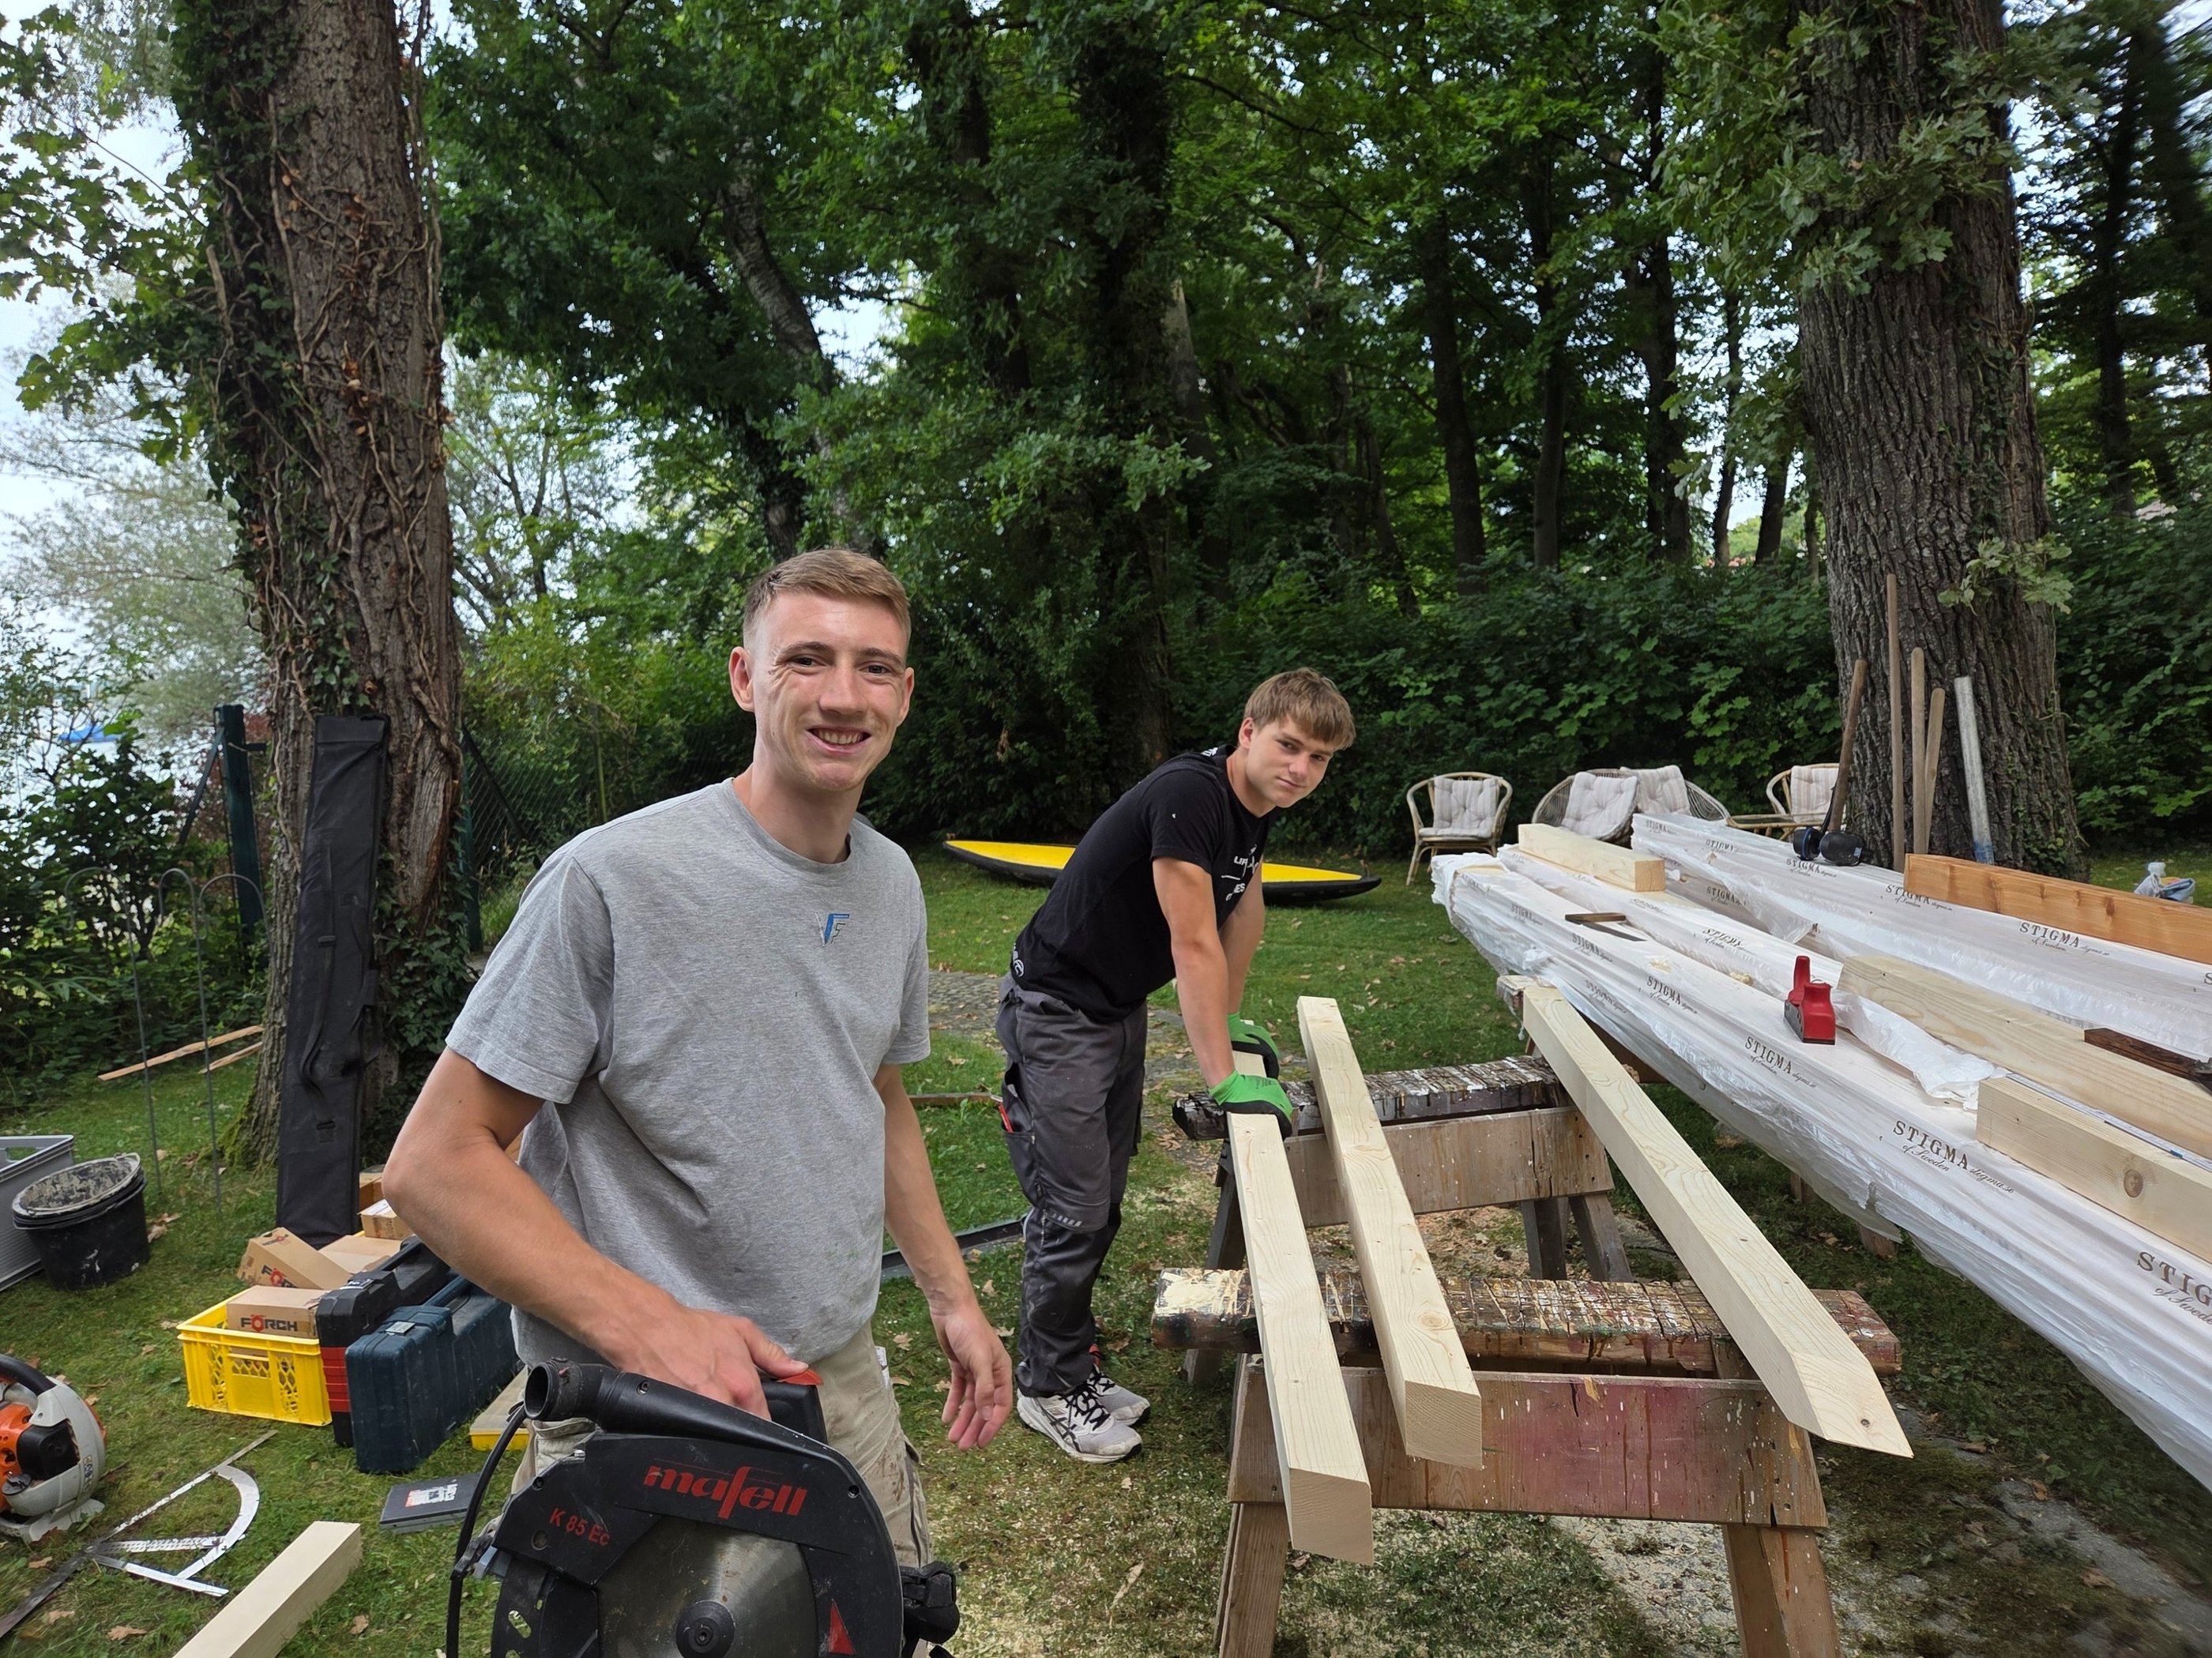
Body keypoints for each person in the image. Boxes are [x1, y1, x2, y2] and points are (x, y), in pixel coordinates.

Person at [384, 547, 1012, 1571]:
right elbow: (437, 1160)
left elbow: (881, 1092)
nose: (842, 695)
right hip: (641, 1411)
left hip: (834, 1379)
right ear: (742, 676)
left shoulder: (893, 880)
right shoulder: (610, 880)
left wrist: (953, 1298)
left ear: (906, 692)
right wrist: (651, 1326)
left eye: (875, 666)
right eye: (805, 659)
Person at [995, 669, 1355, 1461]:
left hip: (1112, 1007)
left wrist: (1227, 1018)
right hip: (1056, 1008)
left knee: (1102, 1200)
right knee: (1073, 1208)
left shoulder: (1252, 808)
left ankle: (1070, 1359)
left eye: (1319, 757)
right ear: (1249, 729)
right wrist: (1221, 1072)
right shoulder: (1191, 794)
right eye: (1289, 745)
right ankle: (1045, 1384)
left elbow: (1243, 913)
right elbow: (1190, 942)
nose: (1300, 767)